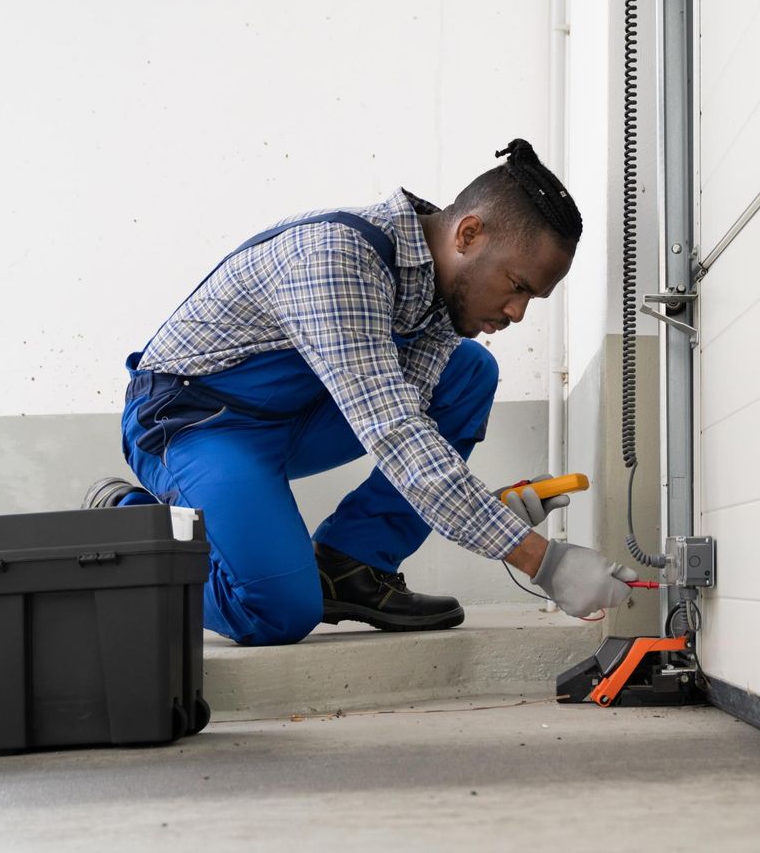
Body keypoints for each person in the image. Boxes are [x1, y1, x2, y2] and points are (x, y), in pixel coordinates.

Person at [84, 140, 637, 646]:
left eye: (531, 300)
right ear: (469, 235)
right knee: (276, 610)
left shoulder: (442, 294)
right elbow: (395, 435)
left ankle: (351, 566)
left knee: (469, 371)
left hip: (296, 417)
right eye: (517, 287)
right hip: (196, 423)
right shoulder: (337, 258)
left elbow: (413, 427)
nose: (517, 313)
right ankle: (131, 525)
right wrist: (543, 561)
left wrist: (492, 515)